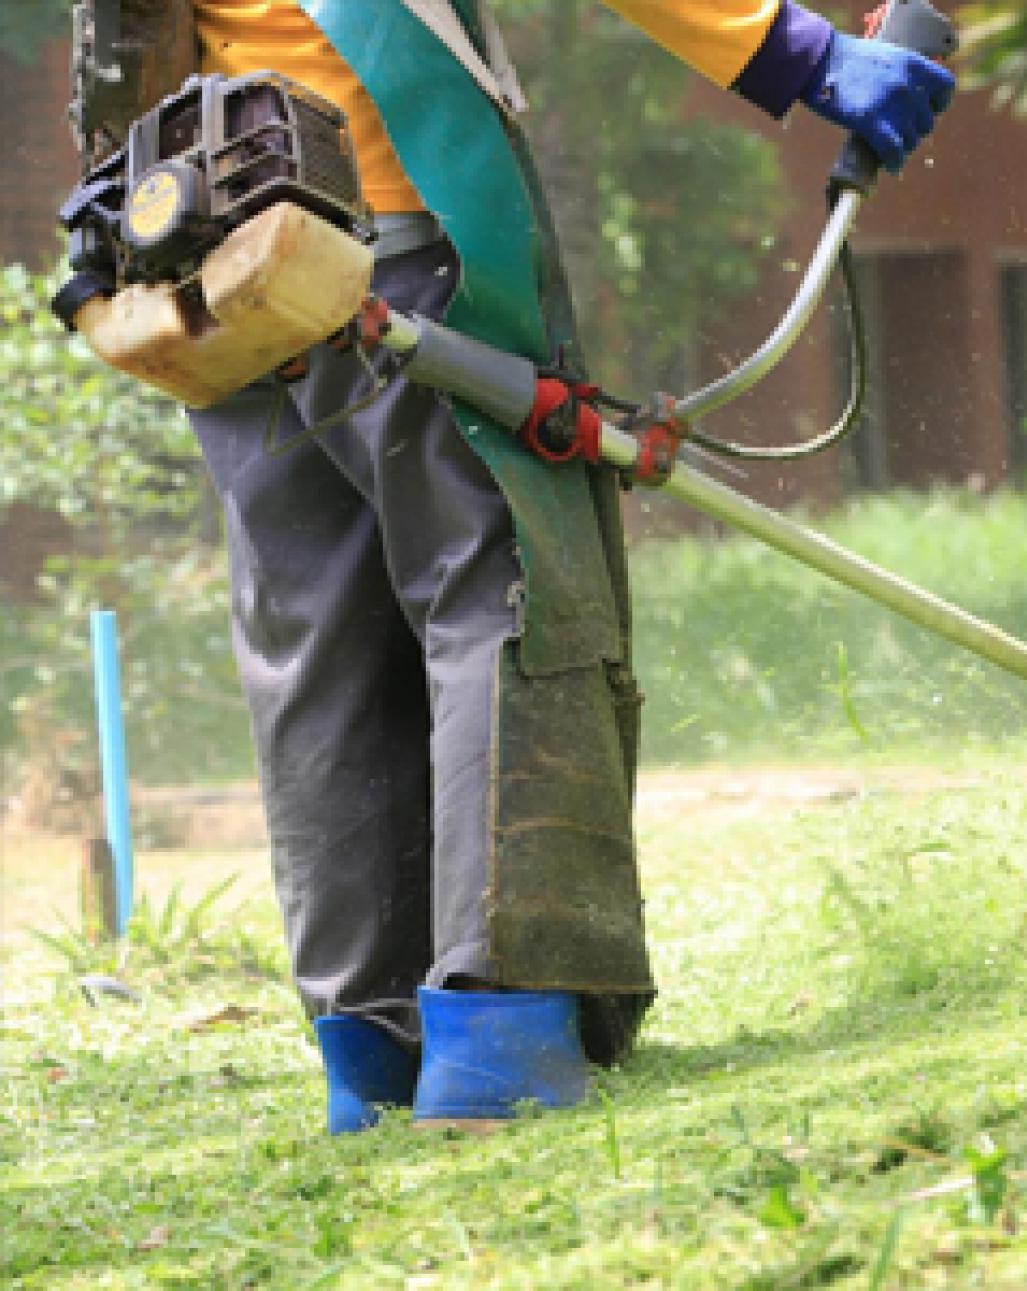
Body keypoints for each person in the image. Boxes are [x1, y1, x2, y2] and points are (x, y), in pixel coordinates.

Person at [160, 0, 953, 1133]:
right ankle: (501, 1034)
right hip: (385, 228)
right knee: (501, 593)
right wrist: (804, 54)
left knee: (321, 647)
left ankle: (369, 1059)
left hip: (215, 251)